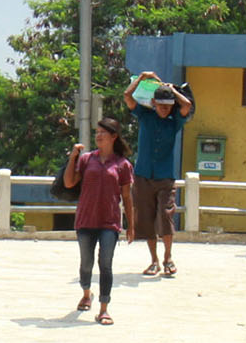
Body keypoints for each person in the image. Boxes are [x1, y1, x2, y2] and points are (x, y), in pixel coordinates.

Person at [64, 117, 135, 325]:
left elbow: (127, 197)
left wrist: (131, 225)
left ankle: (104, 308)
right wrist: (73, 158)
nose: (99, 136)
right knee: (86, 264)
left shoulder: (123, 165)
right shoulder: (87, 160)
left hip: (110, 222)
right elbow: (69, 182)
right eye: (97, 132)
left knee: (106, 264)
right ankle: (87, 293)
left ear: (114, 137)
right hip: (86, 220)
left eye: (103, 132)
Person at [123, 71, 194, 277]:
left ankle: (168, 258)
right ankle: (153, 260)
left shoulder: (175, 121)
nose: (164, 109)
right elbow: (128, 96)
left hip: (165, 177)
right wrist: (142, 78)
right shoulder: (145, 116)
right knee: (145, 219)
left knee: (165, 217)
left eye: (167, 105)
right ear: (153, 103)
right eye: (161, 104)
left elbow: (187, 106)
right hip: (143, 175)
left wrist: (172, 90)